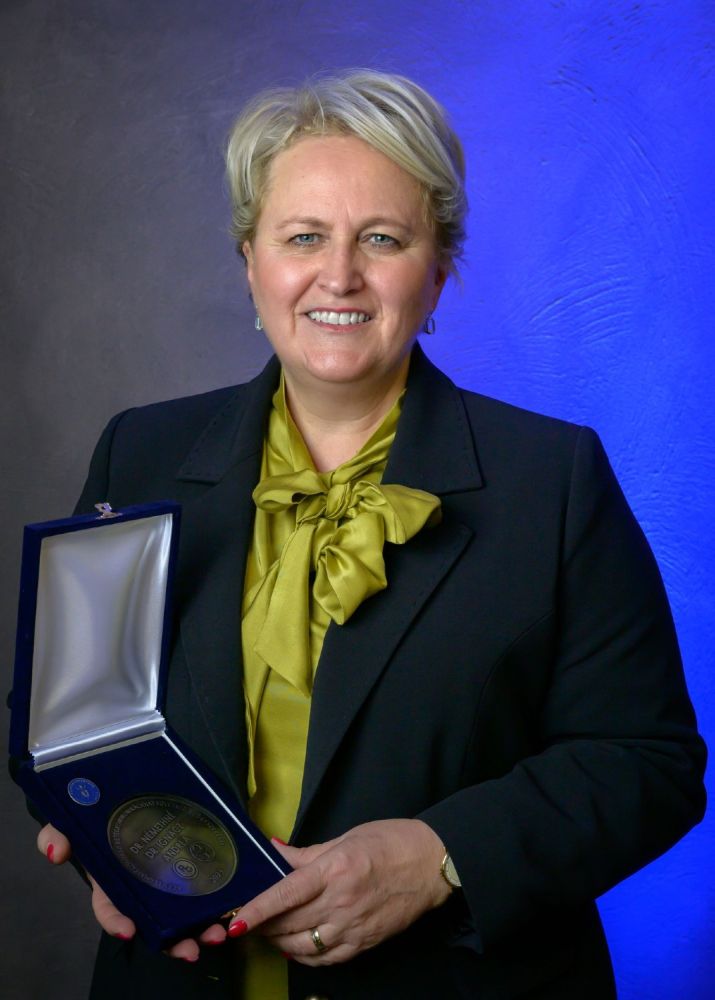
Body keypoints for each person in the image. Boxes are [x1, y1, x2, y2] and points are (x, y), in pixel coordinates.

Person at [33, 69, 705, 999]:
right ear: (251, 260)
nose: (339, 275)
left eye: (382, 239)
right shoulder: (138, 452)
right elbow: (67, 717)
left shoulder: (552, 479)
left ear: (438, 271)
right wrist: (101, 840)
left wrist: (439, 856)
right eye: (303, 236)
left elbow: (647, 765)